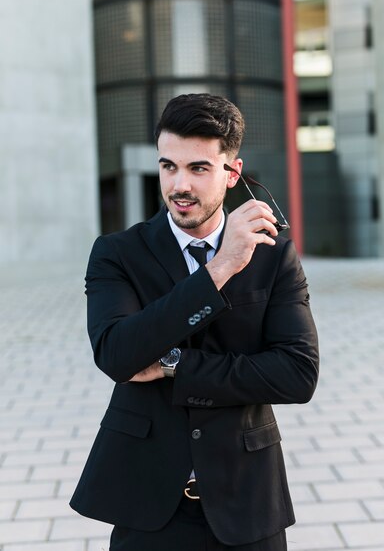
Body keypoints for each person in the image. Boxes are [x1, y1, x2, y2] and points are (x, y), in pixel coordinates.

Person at [70, 93, 319, 550]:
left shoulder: (274, 254)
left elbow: (297, 375)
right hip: (147, 502)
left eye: (198, 168)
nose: (179, 184)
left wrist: (174, 365)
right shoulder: (117, 253)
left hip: (246, 499)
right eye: (168, 166)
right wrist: (219, 268)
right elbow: (118, 355)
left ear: (232, 173)